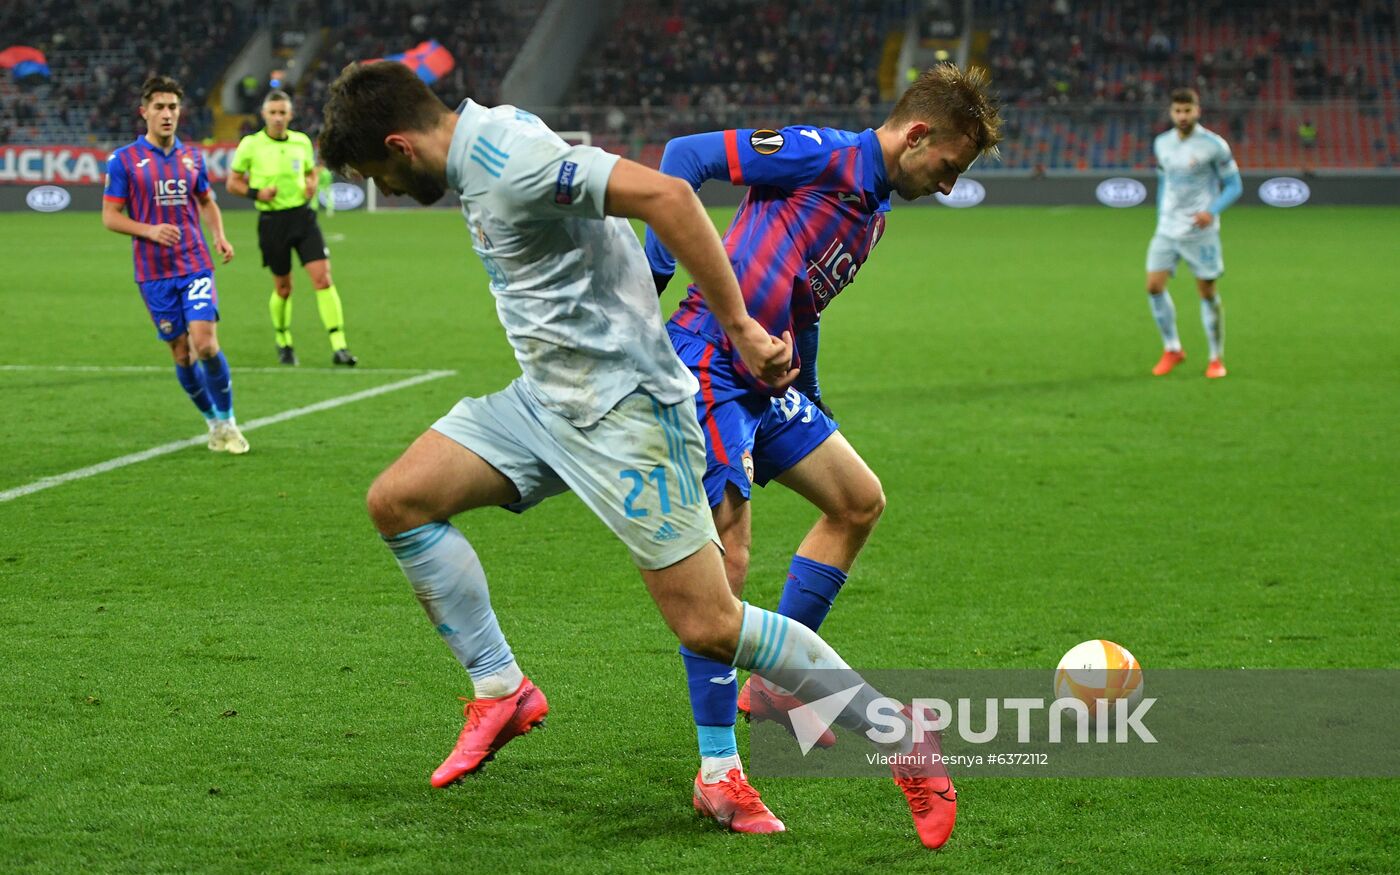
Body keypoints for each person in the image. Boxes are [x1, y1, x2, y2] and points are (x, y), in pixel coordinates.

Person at [317, 60, 957, 850]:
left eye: (374, 172)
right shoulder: (493, 127)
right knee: (399, 500)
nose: (379, 186)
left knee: (713, 622)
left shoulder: (505, 159)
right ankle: (501, 688)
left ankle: (901, 738)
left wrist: (740, 326)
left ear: (398, 146)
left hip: (623, 414)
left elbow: (670, 192)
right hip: (545, 401)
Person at [644, 64, 1001, 828]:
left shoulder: (871, 214)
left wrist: (811, 384)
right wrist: (654, 267)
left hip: (769, 379)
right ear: (917, 135)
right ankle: (719, 771)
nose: (947, 184)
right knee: (726, 564)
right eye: (950, 166)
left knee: (857, 500)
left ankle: (775, 683)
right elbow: (684, 157)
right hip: (707, 359)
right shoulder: (821, 154)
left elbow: (805, 299)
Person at [101, 75, 248, 454]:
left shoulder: (191, 156)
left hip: (195, 264)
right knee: (182, 354)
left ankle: (230, 421)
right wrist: (149, 230)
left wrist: (219, 236)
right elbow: (111, 217)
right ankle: (212, 423)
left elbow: (207, 200)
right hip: (153, 274)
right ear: (144, 112)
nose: (167, 114)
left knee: (206, 345)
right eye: (160, 107)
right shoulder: (125, 161)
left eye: (173, 107)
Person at [228, 90, 357, 367]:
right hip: (272, 222)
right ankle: (283, 340)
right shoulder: (251, 145)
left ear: (290, 114)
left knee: (323, 279)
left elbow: (311, 171)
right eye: (272, 113)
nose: (277, 118)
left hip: (303, 218)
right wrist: (256, 193)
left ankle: (339, 346)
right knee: (284, 288)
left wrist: (311, 182)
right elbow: (233, 183)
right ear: (264, 115)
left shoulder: (301, 142)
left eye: (282, 113)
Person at [1145, 88, 1242, 379]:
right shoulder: (1162, 143)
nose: (1182, 116)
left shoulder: (1214, 145)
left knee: (1207, 292)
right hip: (1167, 229)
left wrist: (1211, 211)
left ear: (1197, 111)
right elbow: (1164, 181)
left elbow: (1235, 186)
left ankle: (1215, 357)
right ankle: (1172, 348)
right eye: (1177, 111)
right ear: (1171, 112)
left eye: (1187, 111)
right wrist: (1161, 214)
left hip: (1201, 232)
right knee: (1153, 287)